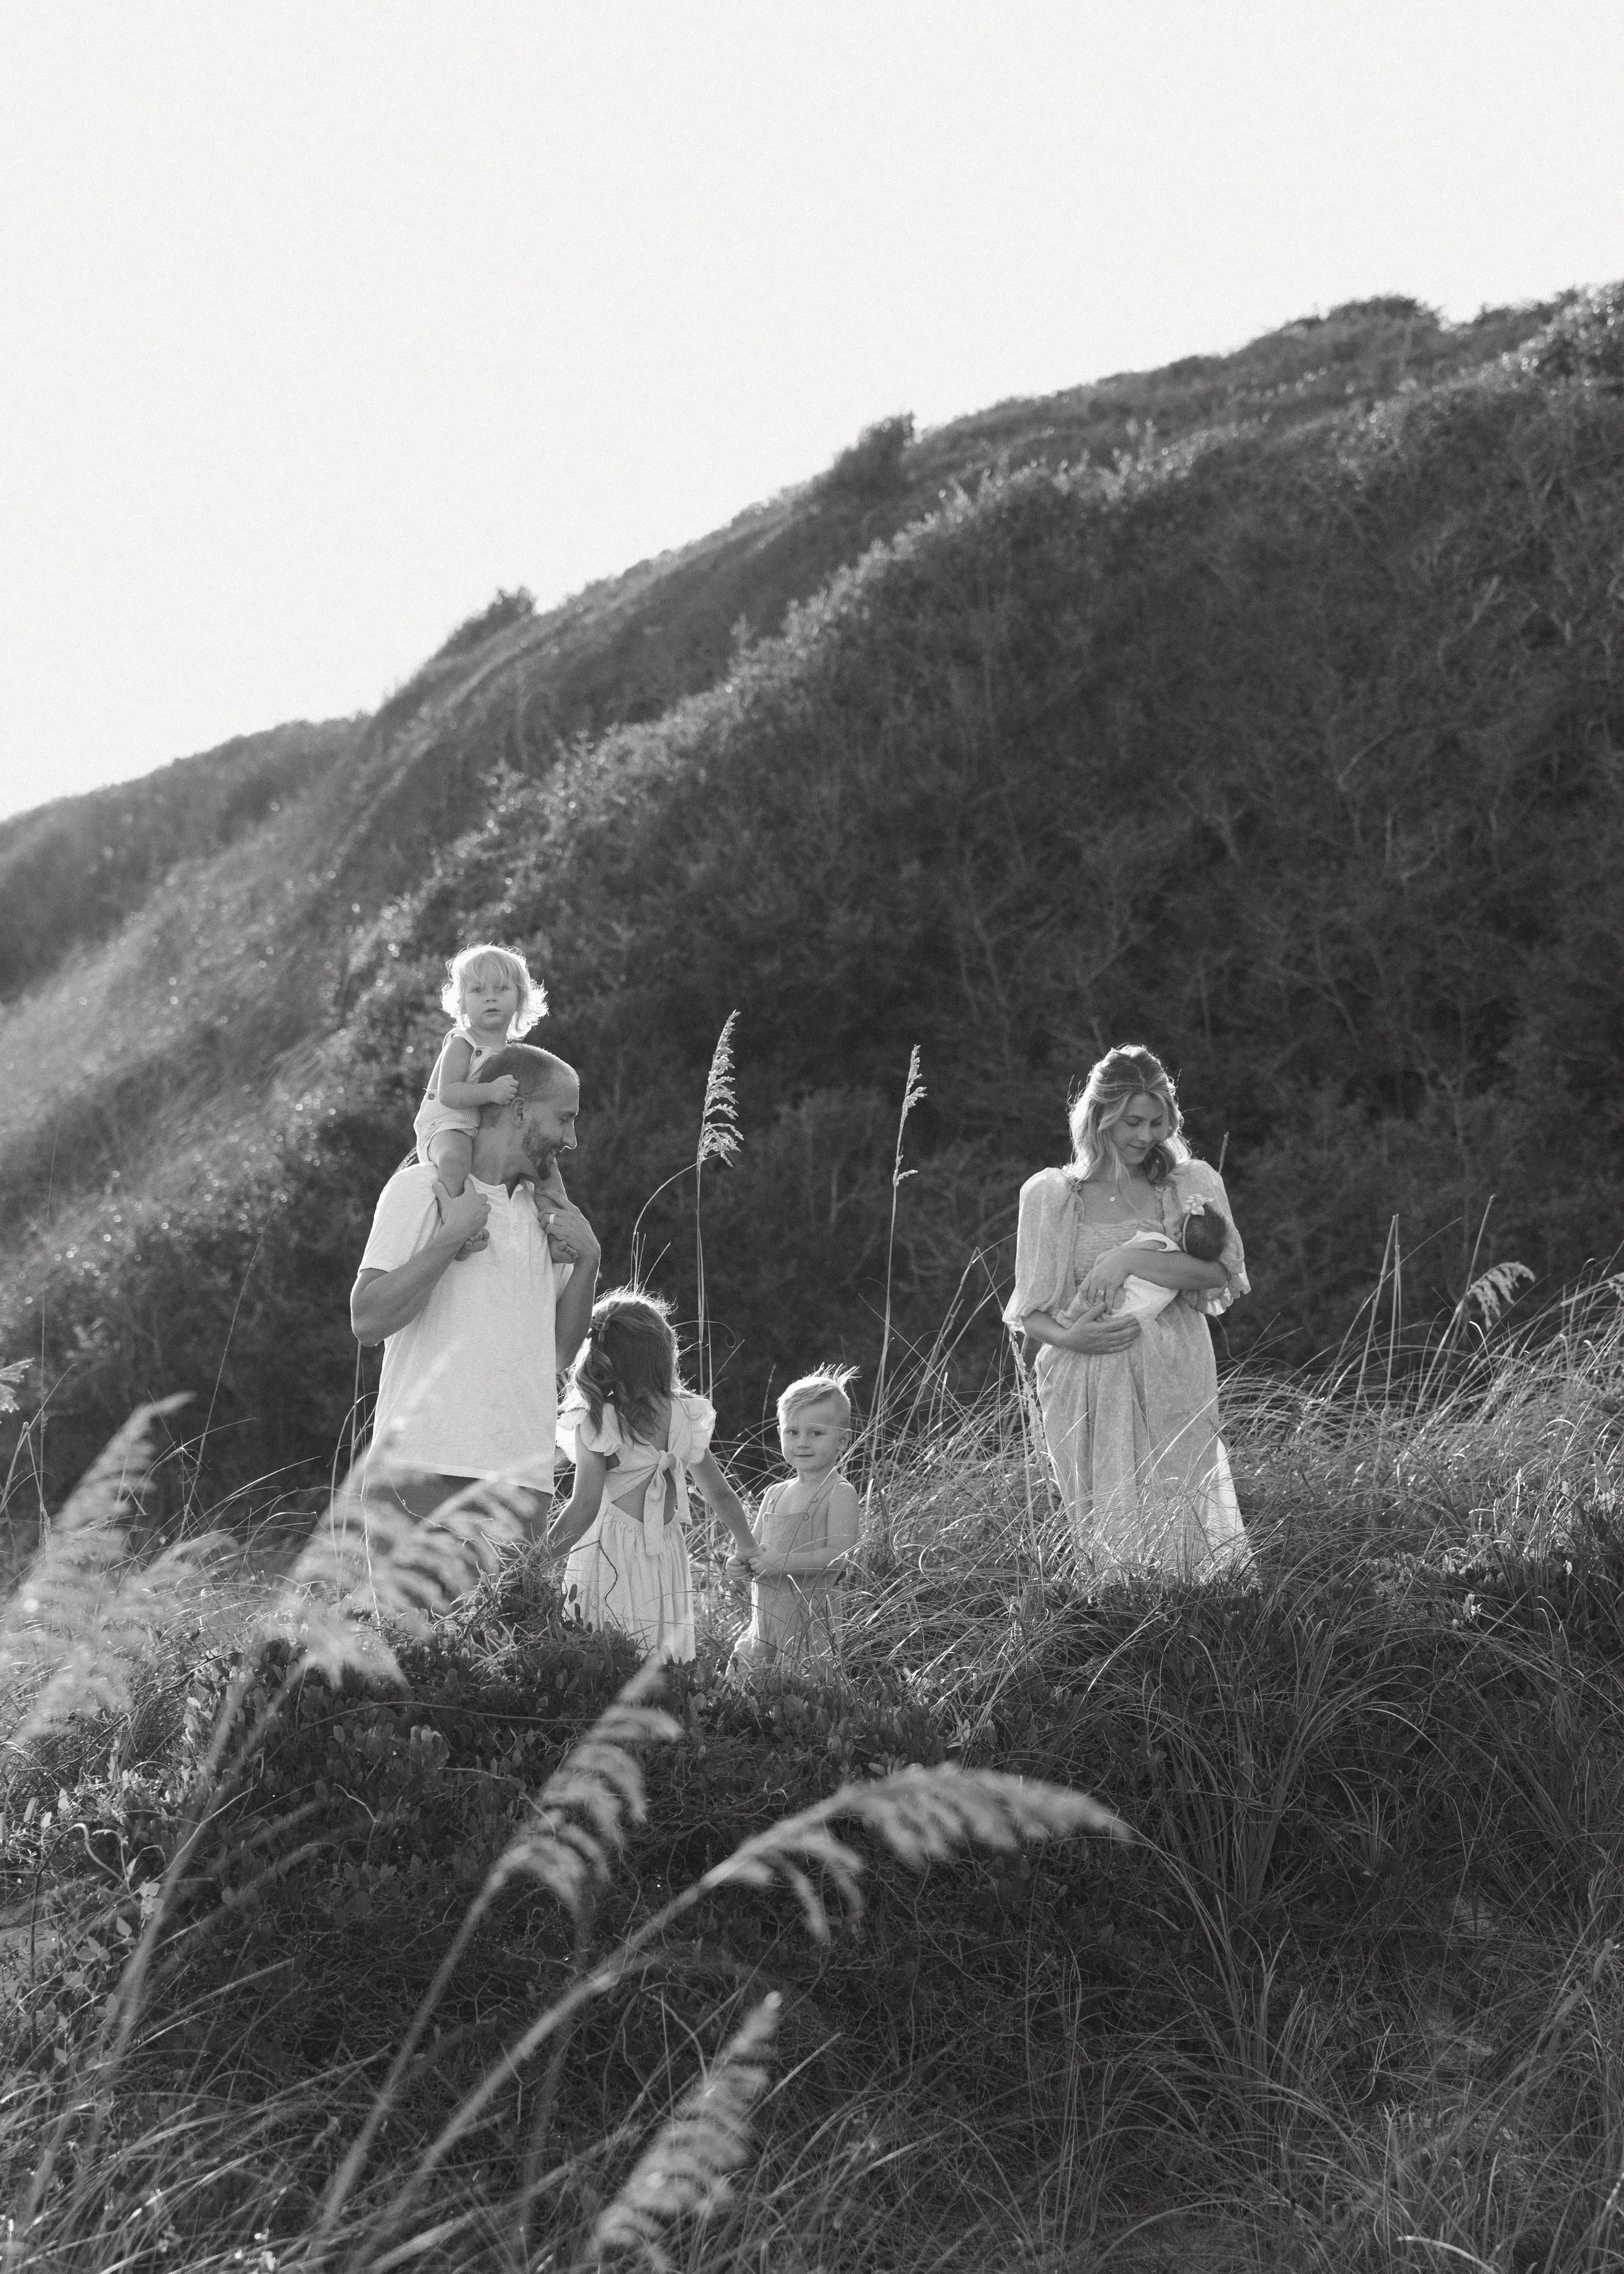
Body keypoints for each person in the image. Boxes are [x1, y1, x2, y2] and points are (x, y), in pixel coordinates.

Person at [1005, 1044, 1250, 1580]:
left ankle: (1198, 1638)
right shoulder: (1052, 1195)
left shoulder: (1188, 1184)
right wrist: (1076, 1340)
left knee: (1183, 1524)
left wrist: (1130, 1257)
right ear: (1098, 1117)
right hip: (1084, 1382)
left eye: (1157, 1121)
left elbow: (1218, 1276)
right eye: (1131, 1122)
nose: (1145, 1136)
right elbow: (1033, 1314)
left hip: (1174, 1375)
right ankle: (1120, 1642)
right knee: (1109, 1536)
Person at [350, 1045, 599, 1522]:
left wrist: (589, 1262)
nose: (571, 1139)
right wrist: (452, 1237)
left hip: (522, 1485)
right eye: (564, 1119)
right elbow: (368, 1320)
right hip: (416, 1472)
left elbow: (561, 1354)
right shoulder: (421, 1191)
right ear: (519, 1110)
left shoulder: (550, 1218)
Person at [546, 1288, 760, 1663]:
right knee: (661, 1664)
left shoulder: (598, 1421)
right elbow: (721, 1495)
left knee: (601, 1657)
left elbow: (584, 1505)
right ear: (664, 1355)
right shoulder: (685, 1415)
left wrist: (536, 1563)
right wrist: (749, 1546)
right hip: (665, 1553)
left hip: (607, 1552)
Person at [728, 1368, 862, 1672]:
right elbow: (755, 1550)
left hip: (808, 1630)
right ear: (780, 1434)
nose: (802, 1442)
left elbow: (837, 1558)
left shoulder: (839, 1492)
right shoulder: (774, 1493)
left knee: (801, 1703)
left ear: (842, 1441)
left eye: (816, 1433)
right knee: (749, 1701)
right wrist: (739, 1564)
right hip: (763, 1628)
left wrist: (783, 1564)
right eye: (793, 1432)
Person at [412, 943, 544, 1210]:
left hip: (480, 1130)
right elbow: (449, 1093)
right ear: (462, 1002)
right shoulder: (463, 1043)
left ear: (520, 998)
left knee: (539, 1163)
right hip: (448, 1125)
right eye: (478, 990)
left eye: (502, 989)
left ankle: (554, 1222)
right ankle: (452, 1219)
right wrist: (492, 1092)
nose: (490, 998)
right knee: (456, 1160)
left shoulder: (510, 1055)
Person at [1057, 1196, 1230, 1327]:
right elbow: (1168, 1245)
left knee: (1090, 1295)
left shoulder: (1156, 1240)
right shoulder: (1181, 1262)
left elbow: (1118, 1255)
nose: (1165, 1216)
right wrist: (1165, 1229)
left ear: (1177, 1234)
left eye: (1170, 1217)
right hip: (1144, 1310)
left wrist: (1102, 1263)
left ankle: (1068, 1320)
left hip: (1126, 1300)